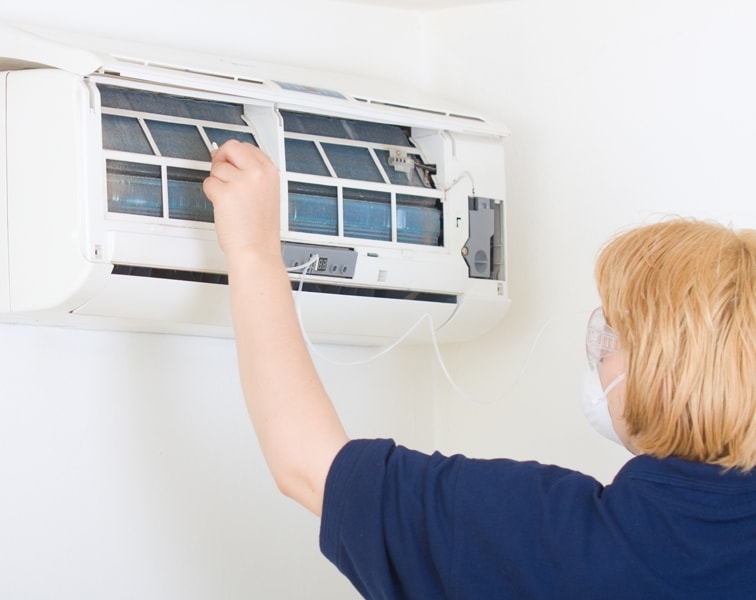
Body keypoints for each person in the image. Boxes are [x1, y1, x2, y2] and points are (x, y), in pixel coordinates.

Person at [204, 140, 756, 599]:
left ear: (665, 366)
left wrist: (252, 247)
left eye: (613, 336)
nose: (598, 352)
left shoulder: (555, 537)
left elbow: (308, 464)